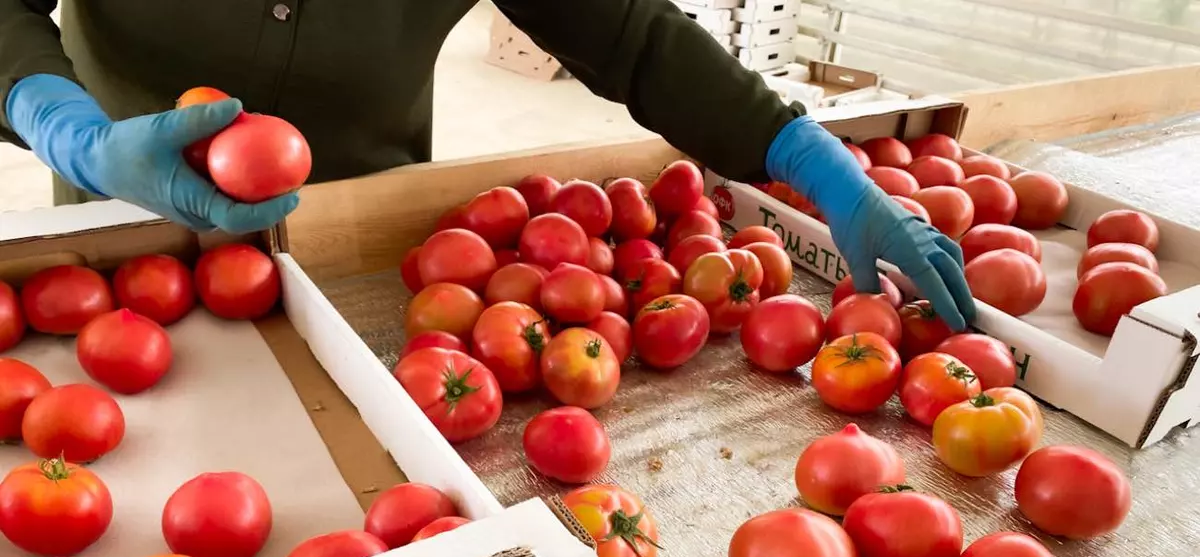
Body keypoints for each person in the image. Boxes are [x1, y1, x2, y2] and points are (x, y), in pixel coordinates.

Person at [0, 0, 973, 329]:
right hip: (121, 229)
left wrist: (813, 160)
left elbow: (632, 37)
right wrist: (69, 132)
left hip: (354, 249)